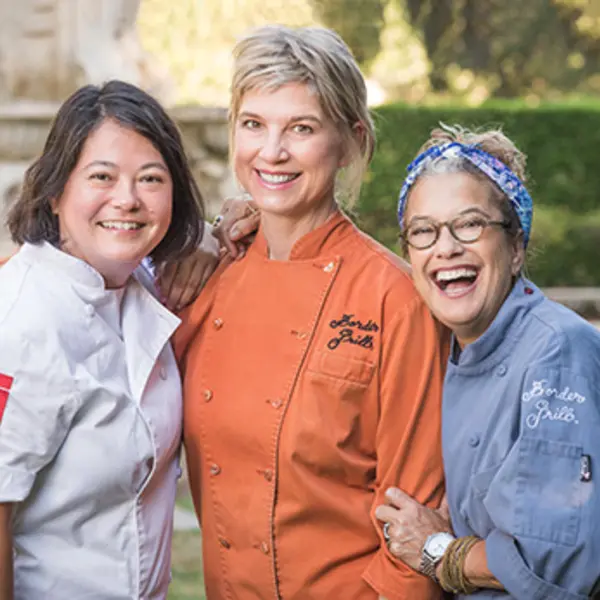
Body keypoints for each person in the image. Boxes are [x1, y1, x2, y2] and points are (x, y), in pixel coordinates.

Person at [174, 25, 448, 600]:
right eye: (253, 125)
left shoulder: (394, 299)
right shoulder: (209, 277)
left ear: (349, 140)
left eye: (301, 128)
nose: (271, 152)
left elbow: (418, 517)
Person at [0, 80, 207, 599]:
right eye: (101, 176)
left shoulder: (139, 284)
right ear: (55, 190)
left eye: (151, 178)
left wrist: (218, 231)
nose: (127, 200)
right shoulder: (22, 320)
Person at [375, 125, 600, 599]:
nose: (446, 246)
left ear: (516, 247)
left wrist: (438, 550)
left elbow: (552, 559)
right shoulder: (439, 345)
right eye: (423, 231)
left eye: (470, 224)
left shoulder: (557, 352)